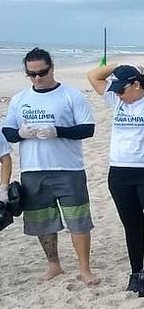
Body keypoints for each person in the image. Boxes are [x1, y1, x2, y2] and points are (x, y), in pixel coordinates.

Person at [2, 47, 99, 285]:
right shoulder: (20, 99)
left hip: (68, 168)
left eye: (42, 73)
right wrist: (21, 134)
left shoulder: (71, 95)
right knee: (42, 221)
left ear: (52, 68)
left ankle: (84, 269)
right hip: (33, 170)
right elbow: (8, 132)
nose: (37, 78)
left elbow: (88, 128)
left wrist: (58, 131)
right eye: (31, 74)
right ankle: (53, 265)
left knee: (78, 218)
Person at [87, 64, 144, 293]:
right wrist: (118, 66)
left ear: (137, 84)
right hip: (119, 172)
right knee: (132, 225)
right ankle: (137, 272)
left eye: (122, 90)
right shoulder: (117, 101)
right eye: (116, 90)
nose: (118, 94)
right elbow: (93, 76)